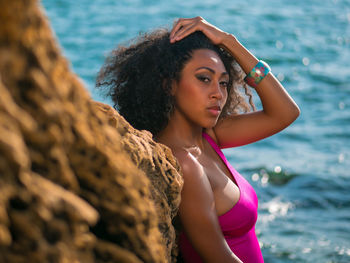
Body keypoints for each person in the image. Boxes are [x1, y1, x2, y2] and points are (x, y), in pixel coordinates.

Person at [96, 16, 300, 263]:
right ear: (169, 85)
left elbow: (285, 113)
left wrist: (229, 42)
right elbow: (219, 258)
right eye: (204, 78)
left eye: (224, 83)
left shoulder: (208, 137)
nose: (218, 93)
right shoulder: (185, 165)